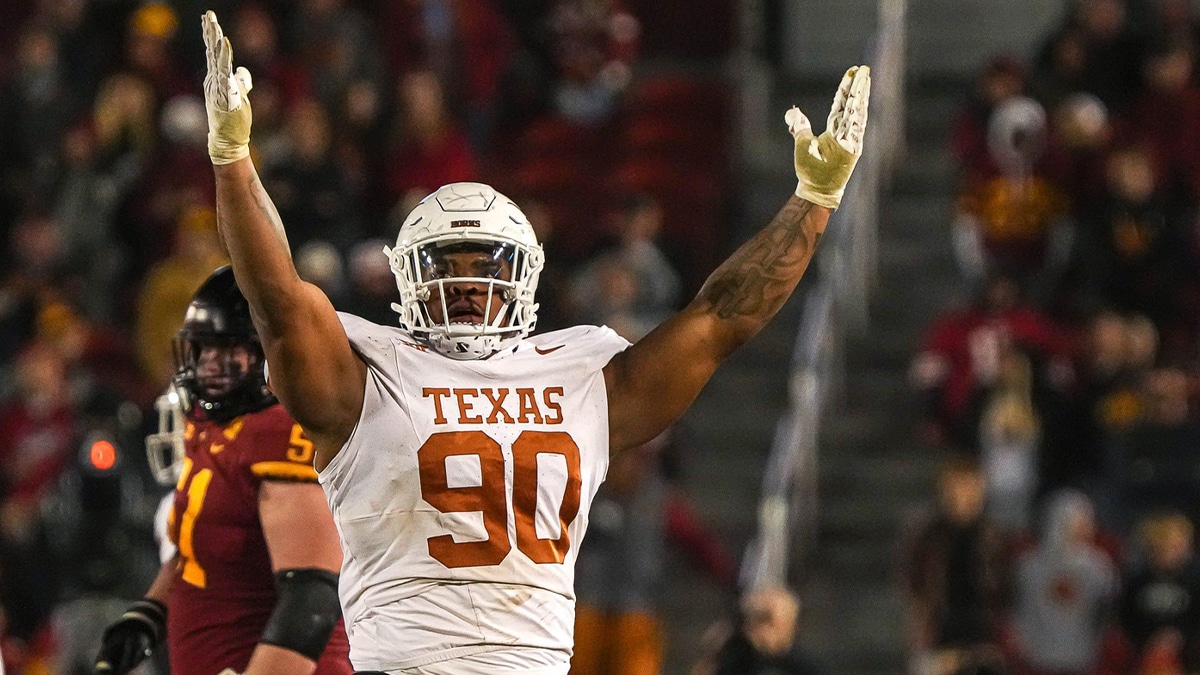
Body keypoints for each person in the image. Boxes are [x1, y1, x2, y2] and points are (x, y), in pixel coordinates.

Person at [198, 9, 869, 674]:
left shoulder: (581, 374)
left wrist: (813, 198)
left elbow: (721, 318)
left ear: (524, 273)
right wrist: (234, 163)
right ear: (407, 274)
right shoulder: (367, 371)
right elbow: (277, 298)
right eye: (445, 263)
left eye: (484, 263)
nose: (465, 282)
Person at [92, 266, 352, 675]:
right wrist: (151, 612)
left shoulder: (281, 430)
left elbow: (312, 595)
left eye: (230, 350)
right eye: (204, 349)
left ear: (272, 351)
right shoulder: (215, 421)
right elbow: (199, 547)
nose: (212, 364)